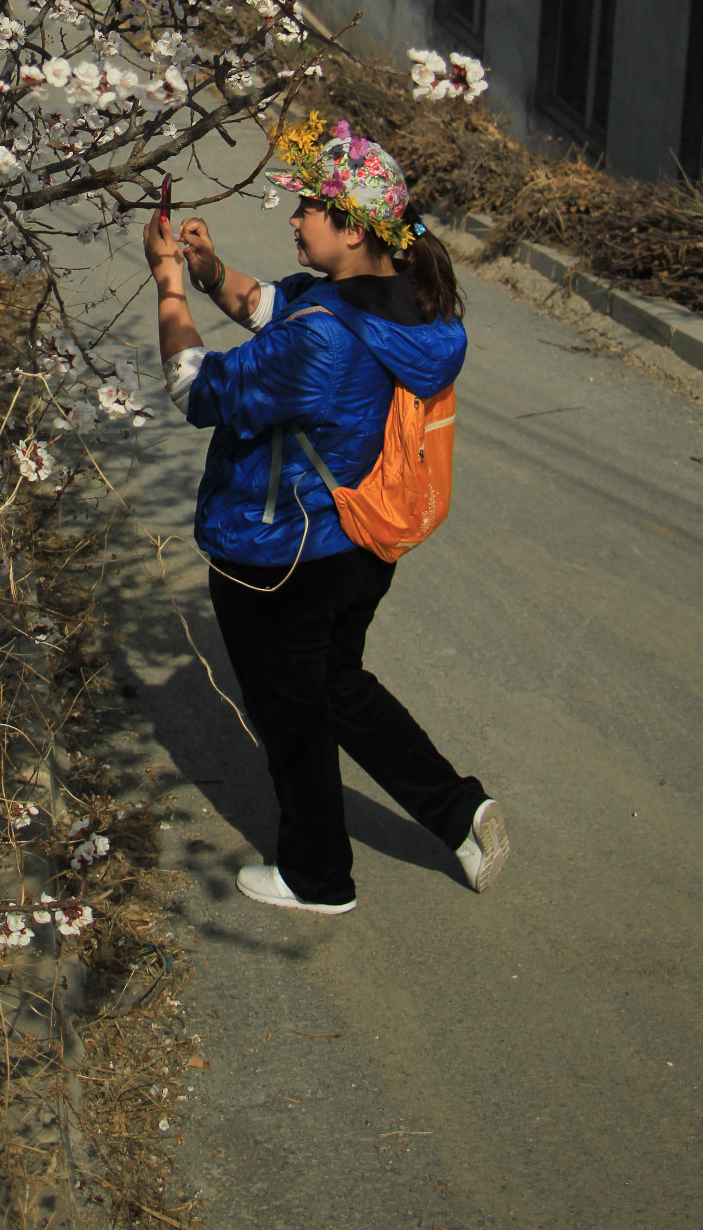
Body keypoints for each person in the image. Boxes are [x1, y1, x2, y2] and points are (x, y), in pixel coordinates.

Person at [143, 113, 508, 916]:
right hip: (359, 543)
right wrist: (209, 273)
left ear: (351, 226)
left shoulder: (324, 340)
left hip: (281, 553)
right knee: (337, 684)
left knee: (292, 713)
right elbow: (279, 305)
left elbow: (196, 391)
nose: (295, 217)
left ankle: (317, 876)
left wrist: (166, 284)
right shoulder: (404, 300)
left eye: (308, 206)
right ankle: (456, 810)